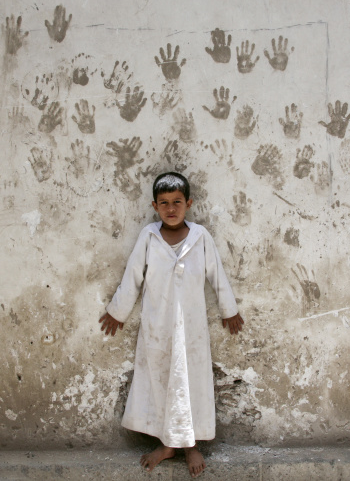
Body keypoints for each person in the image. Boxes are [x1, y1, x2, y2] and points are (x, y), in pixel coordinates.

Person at [99, 172, 244, 478]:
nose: (171, 208)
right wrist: (117, 311)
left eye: (177, 202)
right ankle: (166, 444)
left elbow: (216, 274)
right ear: (155, 206)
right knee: (160, 380)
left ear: (188, 203)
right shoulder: (149, 237)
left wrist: (228, 309)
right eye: (164, 203)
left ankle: (191, 446)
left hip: (191, 329)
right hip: (158, 327)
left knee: (191, 381)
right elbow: (133, 276)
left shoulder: (200, 237)